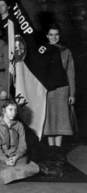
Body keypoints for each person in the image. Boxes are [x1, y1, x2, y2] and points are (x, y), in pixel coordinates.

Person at [43, 24, 76, 164]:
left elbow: (71, 72)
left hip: (62, 89)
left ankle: (59, 150)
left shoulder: (66, 51)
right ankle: (52, 151)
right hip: (47, 90)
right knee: (49, 119)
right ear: (47, 36)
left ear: (60, 36)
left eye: (56, 34)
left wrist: (72, 93)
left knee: (61, 119)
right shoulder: (42, 51)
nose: (54, 37)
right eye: (51, 34)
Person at [0, 99, 39, 184]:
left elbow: (23, 146)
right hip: (4, 158)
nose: (14, 112)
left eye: (15, 110)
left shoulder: (19, 125)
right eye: (10, 109)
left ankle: (10, 174)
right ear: (3, 110)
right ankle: (21, 172)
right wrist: (6, 160)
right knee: (10, 170)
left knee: (17, 167)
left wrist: (16, 157)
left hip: (18, 156)